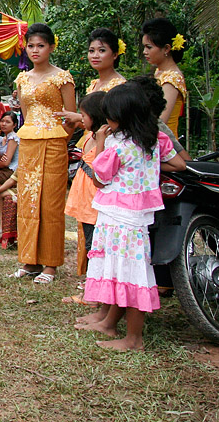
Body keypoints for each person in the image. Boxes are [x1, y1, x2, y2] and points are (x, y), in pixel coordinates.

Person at [75, 83, 186, 351]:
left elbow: (100, 179)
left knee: (131, 275)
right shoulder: (154, 140)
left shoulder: (118, 146)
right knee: (129, 272)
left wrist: (101, 143)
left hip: (117, 216)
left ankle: (134, 339)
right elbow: (179, 163)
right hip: (137, 217)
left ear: (120, 117)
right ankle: (112, 323)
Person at [9, 23, 76, 284]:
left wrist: (59, 141)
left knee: (50, 203)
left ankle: (50, 265)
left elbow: (71, 118)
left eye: (41, 45)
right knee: (27, 200)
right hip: (29, 143)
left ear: (51, 47)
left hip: (55, 144)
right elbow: (25, 116)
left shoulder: (63, 77)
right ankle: (29, 261)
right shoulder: (22, 78)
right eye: (31, 46)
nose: (35, 50)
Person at [60, 92, 107, 304]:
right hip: (84, 199)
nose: (81, 118)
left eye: (83, 114)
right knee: (90, 244)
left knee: (95, 246)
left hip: (94, 201)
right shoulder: (89, 135)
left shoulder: (103, 139)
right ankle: (91, 287)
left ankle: (94, 292)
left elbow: (101, 168)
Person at [141, 18, 188, 140]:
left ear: (166, 49)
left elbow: (160, 120)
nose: (144, 52)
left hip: (164, 145)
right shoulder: (159, 73)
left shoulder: (172, 78)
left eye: (149, 47)